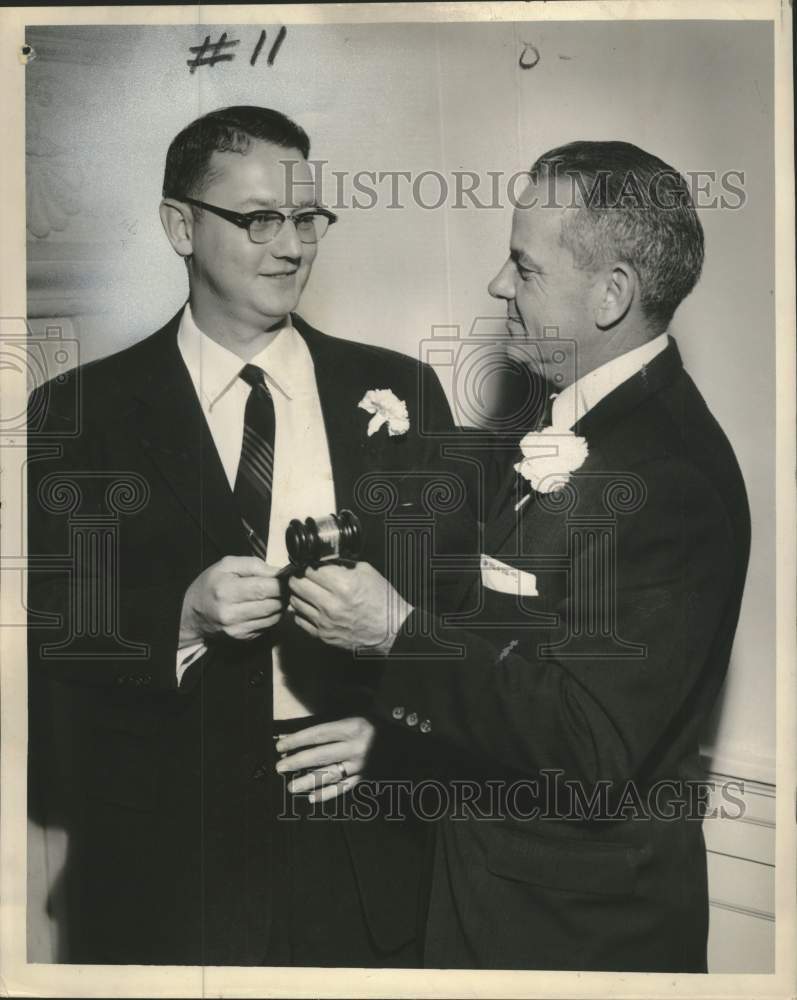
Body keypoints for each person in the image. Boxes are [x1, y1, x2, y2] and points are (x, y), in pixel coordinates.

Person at [287, 140, 752, 972]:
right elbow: (514, 657)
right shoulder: (570, 422)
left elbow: (591, 744)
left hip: (574, 937)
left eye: (523, 267)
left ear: (610, 296)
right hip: (489, 899)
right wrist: (404, 742)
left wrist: (399, 636)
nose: (498, 286)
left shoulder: (669, 480)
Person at [26, 105, 472, 966]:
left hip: (361, 842)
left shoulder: (399, 388)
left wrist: (400, 733)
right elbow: (48, 626)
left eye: (307, 219)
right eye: (260, 218)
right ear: (178, 225)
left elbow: (457, 600)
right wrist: (181, 619)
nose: (293, 246)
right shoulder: (84, 411)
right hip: (162, 860)